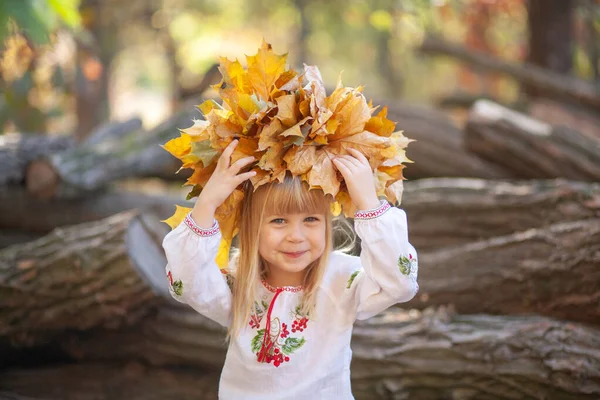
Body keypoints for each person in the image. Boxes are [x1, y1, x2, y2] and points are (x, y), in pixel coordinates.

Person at [162, 139, 419, 399]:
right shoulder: (237, 284)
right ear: (251, 226)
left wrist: (369, 205)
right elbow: (186, 282)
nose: (296, 236)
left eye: (310, 219)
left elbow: (400, 283)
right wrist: (207, 204)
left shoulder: (343, 280)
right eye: (279, 220)